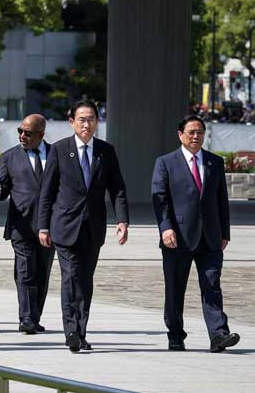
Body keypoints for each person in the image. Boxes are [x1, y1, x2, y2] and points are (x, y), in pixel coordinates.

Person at [38, 100, 129, 352]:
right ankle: (71, 332)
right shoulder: (59, 149)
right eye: (81, 119)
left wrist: (122, 220)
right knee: (70, 278)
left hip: (93, 227)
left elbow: (118, 189)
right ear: (72, 122)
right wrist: (43, 226)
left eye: (91, 119)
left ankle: (81, 330)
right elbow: (47, 192)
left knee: (85, 281)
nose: (86, 124)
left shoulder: (105, 151)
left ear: (97, 122)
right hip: (64, 225)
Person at [151, 115, 240, 353]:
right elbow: (160, 199)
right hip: (177, 236)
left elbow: (222, 200)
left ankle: (218, 334)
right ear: (180, 135)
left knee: (212, 284)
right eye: (191, 132)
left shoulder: (214, 162)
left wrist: (225, 232)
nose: (195, 136)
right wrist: (165, 228)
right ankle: (175, 334)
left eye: (199, 132)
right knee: (175, 288)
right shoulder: (166, 162)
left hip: (210, 236)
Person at [0, 114, 54, 334]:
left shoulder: (56, 154)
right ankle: (26, 318)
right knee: (25, 272)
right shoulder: (10, 157)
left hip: (48, 226)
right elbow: (2, 190)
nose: (22, 136)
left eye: (28, 133)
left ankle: (35, 316)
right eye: (20, 131)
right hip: (21, 225)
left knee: (42, 272)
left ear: (41, 134)